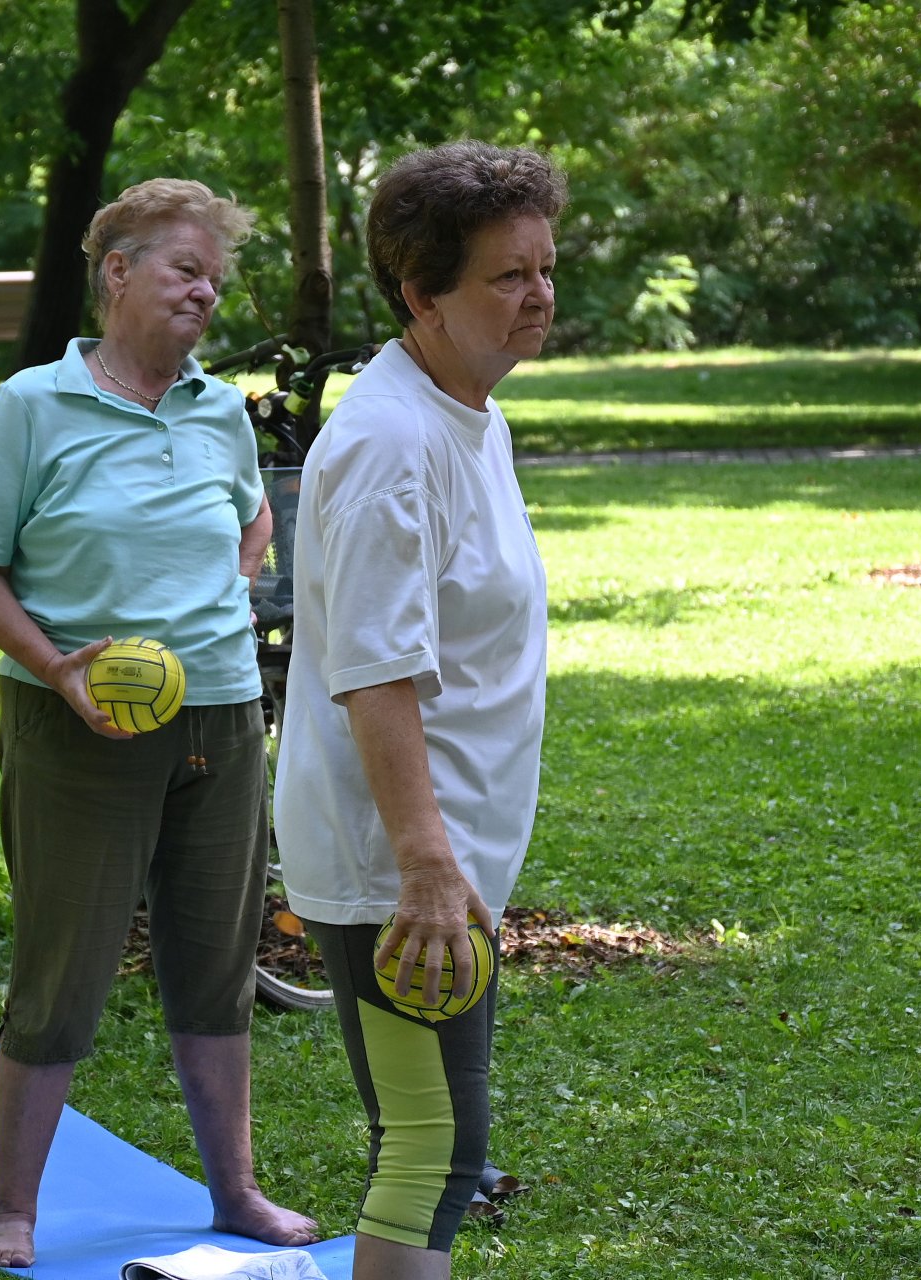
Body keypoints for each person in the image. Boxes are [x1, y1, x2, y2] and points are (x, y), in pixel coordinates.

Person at [0, 178, 316, 1268]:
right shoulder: (32, 404)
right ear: (117, 272)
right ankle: (13, 1205)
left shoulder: (215, 409)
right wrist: (60, 667)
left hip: (223, 717)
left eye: (215, 277)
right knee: (63, 968)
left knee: (217, 958)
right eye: (185, 270)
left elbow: (250, 520)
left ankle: (236, 1191)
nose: (207, 292)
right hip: (76, 725)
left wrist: (215, 610)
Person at [273, 140, 566, 1280]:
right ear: (419, 292)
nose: (538, 295)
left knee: (442, 1139)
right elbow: (373, 674)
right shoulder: (394, 443)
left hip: (441, 848)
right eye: (506, 275)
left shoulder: (467, 410)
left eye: (544, 268)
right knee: (433, 1147)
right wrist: (428, 867)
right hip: (398, 860)